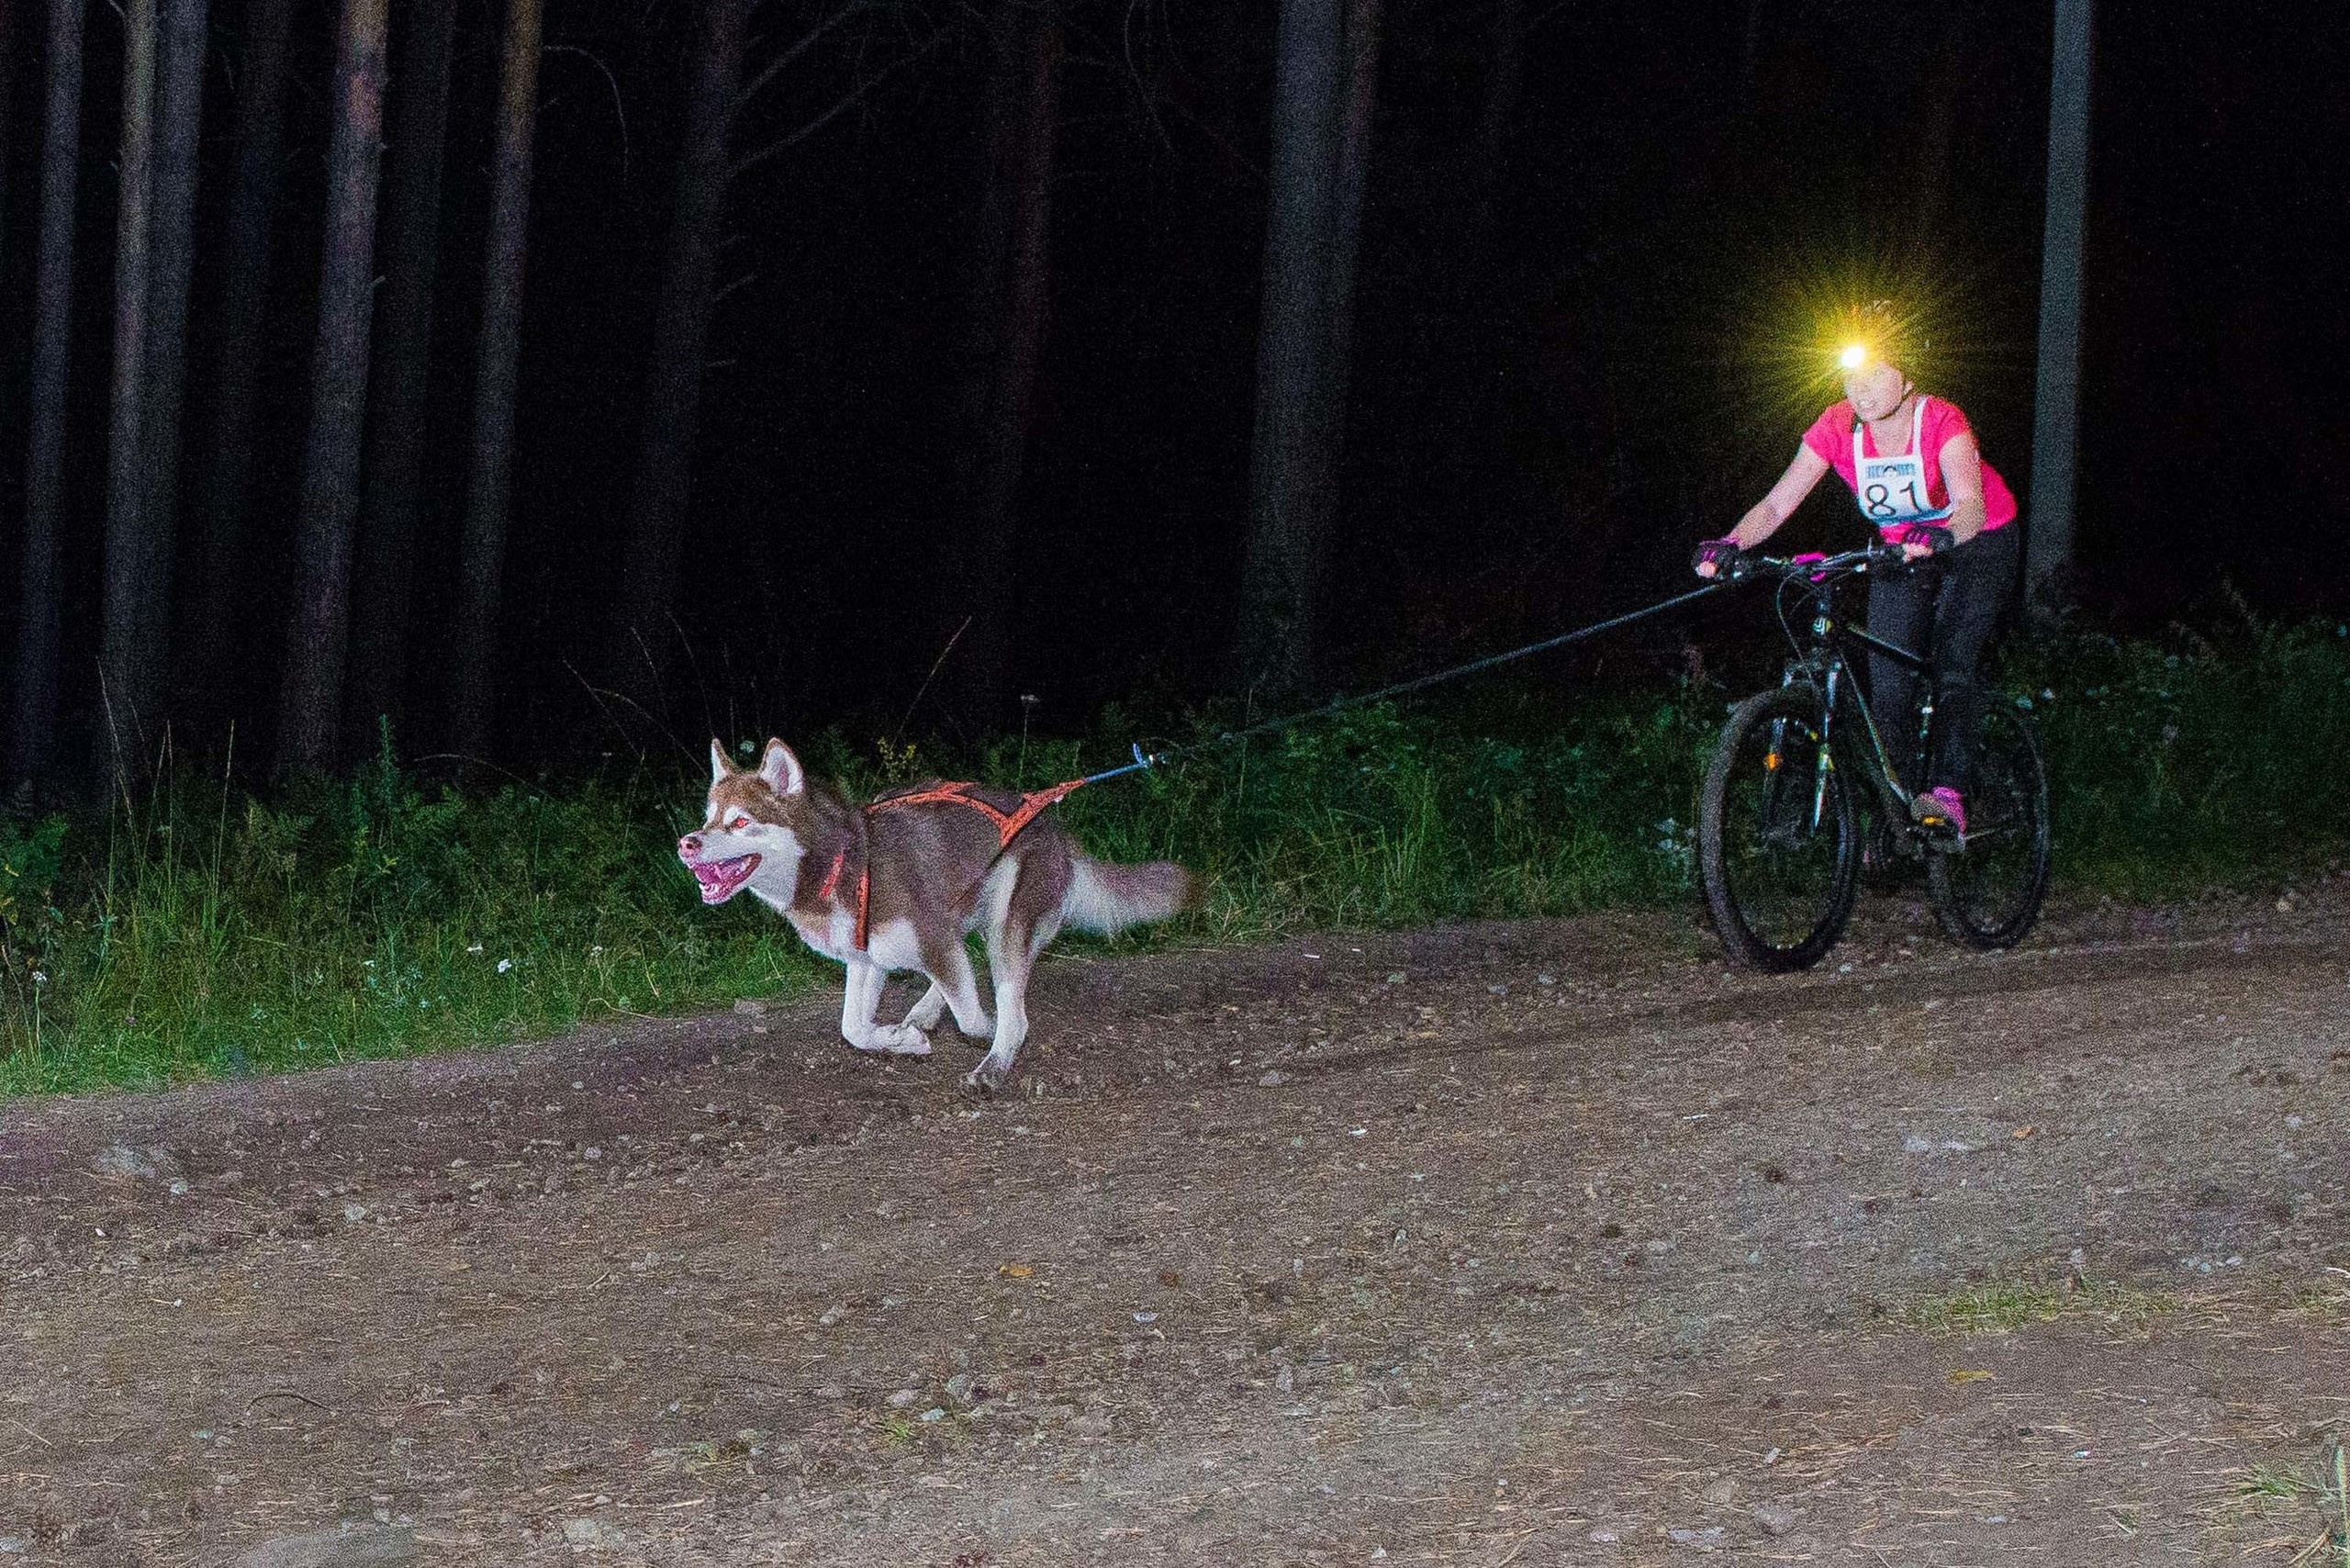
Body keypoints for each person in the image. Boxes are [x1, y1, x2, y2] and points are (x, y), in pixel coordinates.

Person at [1692, 306, 2020, 834]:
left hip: (1977, 542)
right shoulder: (1837, 426)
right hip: (1901, 550)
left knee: (1952, 663)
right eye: (1851, 378)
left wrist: (1941, 534)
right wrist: (1731, 542)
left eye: (1874, 376)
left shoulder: (1940, 420)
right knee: (1889, 687)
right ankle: (1896, 819)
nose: (1859, 391)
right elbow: (1777, 506)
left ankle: (1950, 794)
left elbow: (1971, 507)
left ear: (1908, 375)